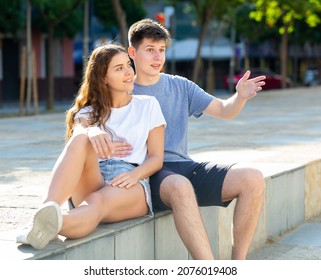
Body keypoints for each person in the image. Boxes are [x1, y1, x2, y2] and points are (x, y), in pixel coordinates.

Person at [87, 19, 266, 260]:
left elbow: (225, 110)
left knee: (252, 179)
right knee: (180, 186)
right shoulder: (121, 89)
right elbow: (86, 116)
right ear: (132, 52)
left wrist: (240, 97)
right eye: (150, 49)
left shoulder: (180, 85)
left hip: (183, 166)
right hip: (148, 172)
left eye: (161, 50)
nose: (157, 57)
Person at [16, 43, 166, 250]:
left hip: (130, 180)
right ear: (103, 78)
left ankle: (53, 225)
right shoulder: (87, 113)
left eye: (128, 65)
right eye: (119, 68)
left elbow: (157, 158)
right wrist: (92, 131)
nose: (129, 72)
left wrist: (135, 175)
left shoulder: (148, 105)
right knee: (81, 138)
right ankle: (44, 214)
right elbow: (78, 137)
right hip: (93, 175)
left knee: (97, 201)